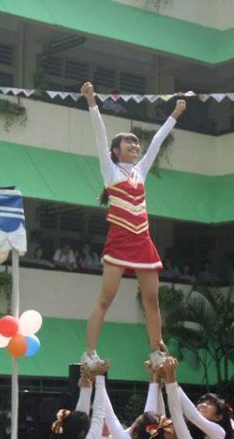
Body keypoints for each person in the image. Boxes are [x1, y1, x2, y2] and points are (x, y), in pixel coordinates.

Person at [80, 80, 186, 371]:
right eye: (129, 143)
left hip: (143, 242)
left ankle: (156, 351)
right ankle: (89, 353)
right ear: (116, 151)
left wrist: (175, 114)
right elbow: (99, 135)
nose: (136, 146)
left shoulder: (140, 172)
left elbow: (157, 142)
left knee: (152, 300)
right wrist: (92, 101)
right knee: (106, 297)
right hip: (119, 242)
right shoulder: (110, 170)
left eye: (136, 143)